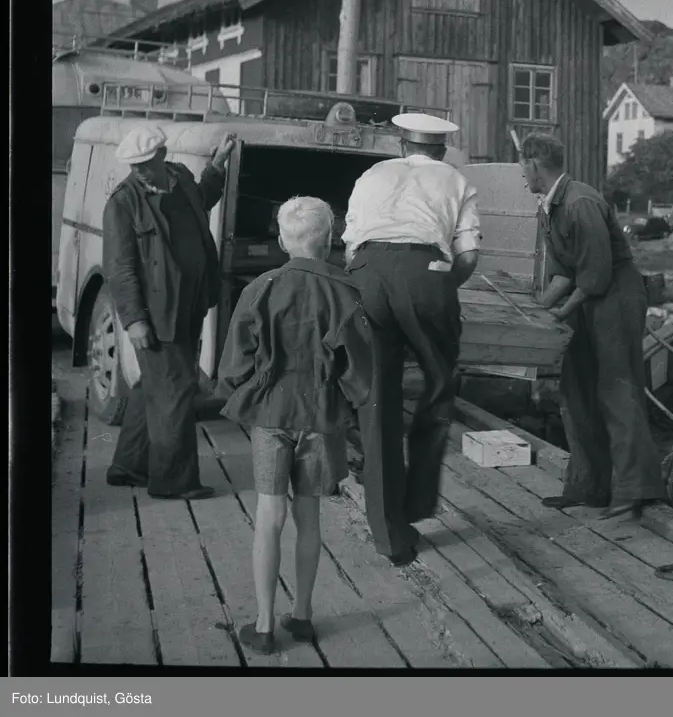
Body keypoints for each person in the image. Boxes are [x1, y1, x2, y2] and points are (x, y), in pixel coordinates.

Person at [216, 196, 374, 656]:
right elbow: (359, 374)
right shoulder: (346, 292)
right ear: (330, 239)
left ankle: (264, 626)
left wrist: (247, 388)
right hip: (321, 417)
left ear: (283, 240)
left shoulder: (260, 288)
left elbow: (234, 366)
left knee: (269, 517)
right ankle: (302, 616)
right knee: (309, 517)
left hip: (271, 414)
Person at [342, 112, 481, 566]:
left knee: (376, 398)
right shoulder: (456, 180)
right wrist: (438, 287)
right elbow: (468, 255)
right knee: (439, 383)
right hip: (427, 272)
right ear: (442, 150)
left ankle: (390, 536)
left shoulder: (371, 175)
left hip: (366, 274)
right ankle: (418, 502)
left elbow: (350, 246)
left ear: (402, 147)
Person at [519, 132, 667, 520]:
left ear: (534, 163)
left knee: (616, 388)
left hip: (616, 297)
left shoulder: (579, 202)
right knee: (576, 390)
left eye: (522, 165)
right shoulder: (550, 207)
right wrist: (532, 310)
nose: (521, 174)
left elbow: (596, 274)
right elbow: (563, 275)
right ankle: (589, 486)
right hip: (589, 298)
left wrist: (561, 312)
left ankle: (637, 488)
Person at [103, 124, 236, 499]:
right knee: (175, 390)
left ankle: (129, 465)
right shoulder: (123, 202)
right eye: (135, 166)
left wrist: (217, 165)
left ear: (162, 155)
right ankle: (174, 483)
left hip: (191, 304)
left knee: (155, 385)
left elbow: (202, 199)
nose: (141, 171)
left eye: (147, 163)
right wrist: (134, 320)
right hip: (157, 314)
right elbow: (120, 268)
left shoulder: (180, 178)